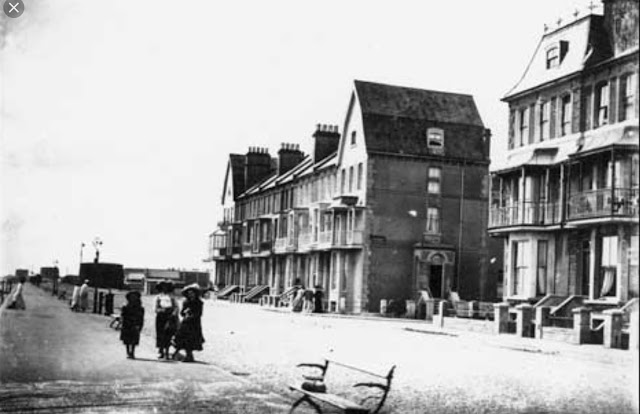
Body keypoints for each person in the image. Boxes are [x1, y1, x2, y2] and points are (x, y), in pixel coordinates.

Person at [173, 283, 204, 363]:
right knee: (182, 338)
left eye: (192, 293)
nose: (191, 295)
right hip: (186, 323)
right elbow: (181, 313)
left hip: (194, 324)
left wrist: (191, 315)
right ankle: (187, 355)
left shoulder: (199, 302)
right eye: (189, 293)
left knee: (191, 339)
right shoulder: (186, 302)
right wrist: (185, 312)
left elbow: (199, 313)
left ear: (195, 293)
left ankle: (188, 356)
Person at [154, 280, 178, 359]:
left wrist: (173, 314)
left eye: (167, 286)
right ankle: (161, 351)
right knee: (160, 334)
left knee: (168, 334)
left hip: (170, 317)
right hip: (161, 317)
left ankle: (167, 352)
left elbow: (176, 307)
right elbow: (155, 308)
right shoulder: (158, 297)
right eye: (163, 286)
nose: (165, 288)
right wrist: (160, 310)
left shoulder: (172, 297)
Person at [120, 291, 145, 359]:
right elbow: (122, 316)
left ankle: (132, 352)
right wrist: (122, 322)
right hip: (126, 324)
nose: (133, 298)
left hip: (135, 324)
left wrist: (139, 325)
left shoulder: (140, 308)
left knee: (134, 339)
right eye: (132, 297)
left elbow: (141, 318)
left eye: (135, 297)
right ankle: (128, 352)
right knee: (127, 340)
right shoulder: (125, 306)